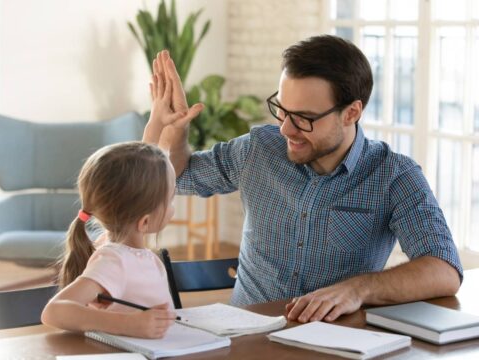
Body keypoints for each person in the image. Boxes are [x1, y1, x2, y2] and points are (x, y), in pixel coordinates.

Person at [147, 37, 463, 324]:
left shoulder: (394, 176)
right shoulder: (258, 149)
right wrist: (176, 131)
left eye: (303, 118)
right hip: (247, 339)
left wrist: (358, 289)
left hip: (333, 341)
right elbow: (179, 178)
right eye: (282, 110)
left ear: (351, 113)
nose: (286, 129)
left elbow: (444, 270)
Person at [41, 55, 201, 338]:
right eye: (172, 198)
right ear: (145, 221)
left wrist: (157, 122)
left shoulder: (125, 248)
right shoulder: (114, 259)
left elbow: (144, 176)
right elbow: (54, 311)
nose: (173, 204)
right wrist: (129, 325)